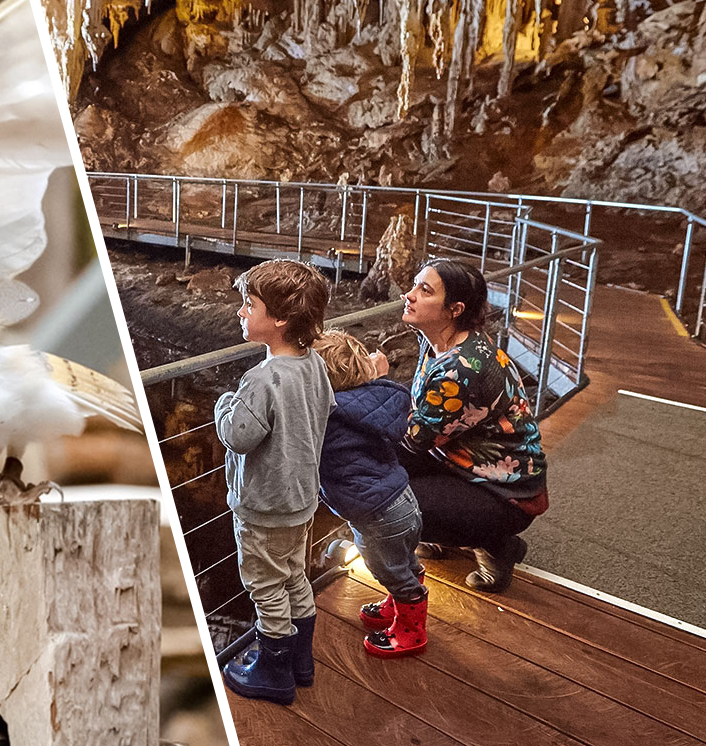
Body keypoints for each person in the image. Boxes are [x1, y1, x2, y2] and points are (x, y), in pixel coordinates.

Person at [214, 259, 335, 706]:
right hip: (302, 499)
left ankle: (274, 669)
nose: (240, 312)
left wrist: (223, 404)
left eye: (249, 304)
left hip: (264, 506)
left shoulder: (260, 380)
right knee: (294, 576)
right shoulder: (315, 365)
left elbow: (238, 436)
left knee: (265, 586)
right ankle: (301, 661)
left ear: (280, 319)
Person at [396, 258, 548, 593]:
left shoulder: (462, 369)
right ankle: (445, 534)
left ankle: (496, 545)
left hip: (505, 494)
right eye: (415, 285)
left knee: (387, 498)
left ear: (454, 309)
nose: (409, 295)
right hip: (464, 463)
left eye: (425, 290)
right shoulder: (442, 341)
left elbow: (414, 443)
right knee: (385, 470)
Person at [313, 329, 428, 657]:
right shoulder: (372, 405)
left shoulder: (330, 416)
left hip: (378, 516)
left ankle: (411, 631)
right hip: (402, 501)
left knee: (388, 568)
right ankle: (400, 602)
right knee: (402, 560)